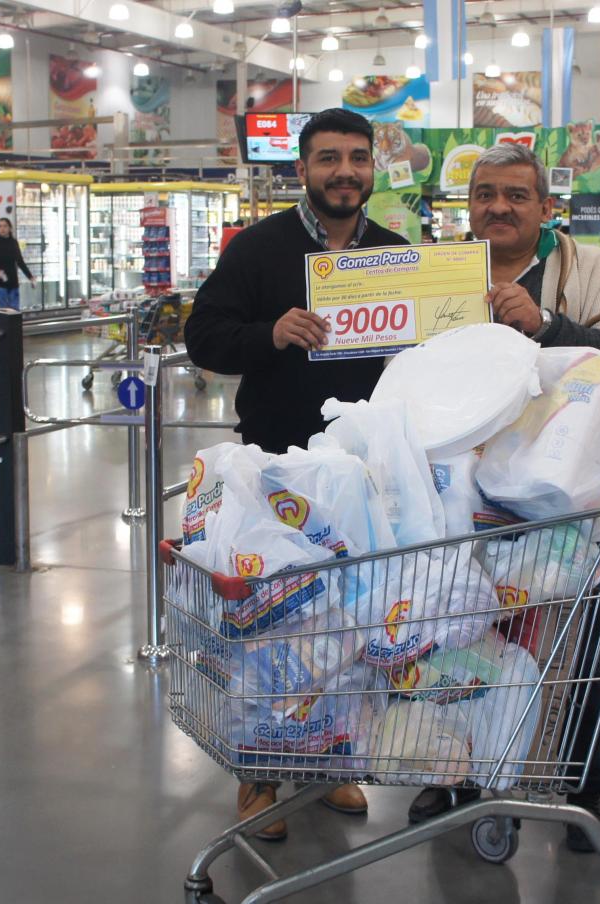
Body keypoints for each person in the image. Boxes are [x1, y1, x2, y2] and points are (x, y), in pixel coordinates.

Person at [184, 107, 410, 839]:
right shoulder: (259, 249)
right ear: (304, 169)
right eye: (329, 158)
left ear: (372, 167)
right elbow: (203, 337)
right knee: (269, 628)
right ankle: (259, 773)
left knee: (350, 624)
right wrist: (270, 333)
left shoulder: (396, 255)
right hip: (276, 474)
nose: (345, 171)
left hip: (363, 478)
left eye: (357, 158)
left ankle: (333, 760)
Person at [403, 142, 600, 853]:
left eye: (515, 195)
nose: (498, 207)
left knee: (571, 637)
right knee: (457, 632)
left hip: (558, 494)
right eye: (485, 195)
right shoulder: (441, 271)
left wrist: (547, 325)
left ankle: (584, 782)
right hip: (460, 493)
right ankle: (456, 772)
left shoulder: (586, 266)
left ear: (544, 206)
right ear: (468, 206)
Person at [0, 217, 34, 310]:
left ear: (10, 228)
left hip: (13, 283)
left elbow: (20, 262)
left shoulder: (14, 243)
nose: (2, 229)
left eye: (5, 226)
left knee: (15, 311)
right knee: (4, 312)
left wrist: (30, 277)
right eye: (0, 226)